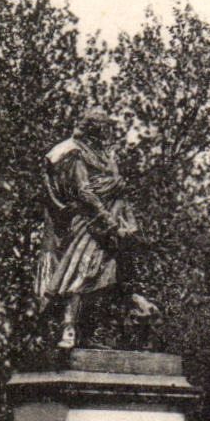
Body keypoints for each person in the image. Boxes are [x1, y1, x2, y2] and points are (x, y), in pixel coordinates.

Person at [36, 107, 156, 349]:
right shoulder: (73, 153)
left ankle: (89, 333)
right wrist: (109, 223)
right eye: (103, 127)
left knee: (106, 277)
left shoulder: (104, 154)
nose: (107, 132)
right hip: (87, 223)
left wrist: (123, 224)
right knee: (80, 274)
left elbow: (117, 190)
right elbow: (84, 192)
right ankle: (68, 329)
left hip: (110, 224)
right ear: (92, 128)